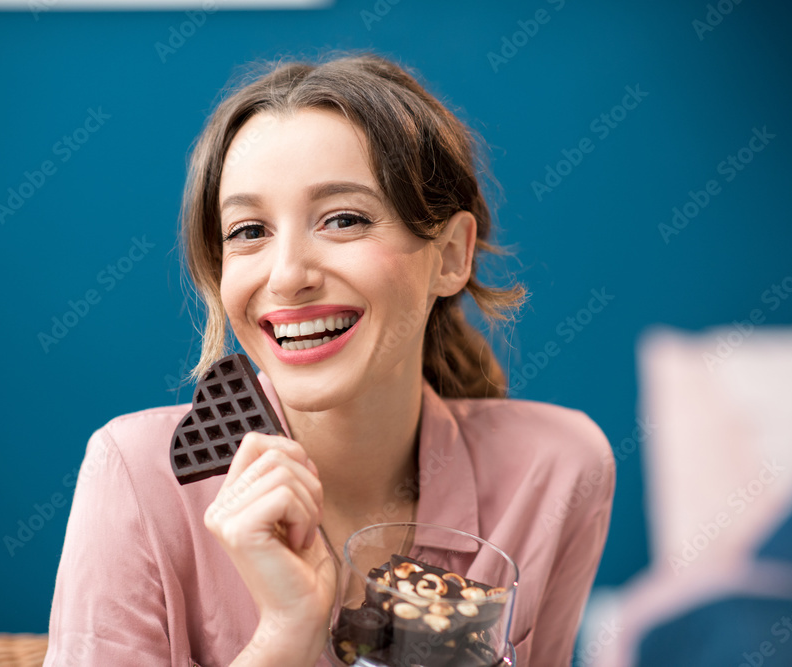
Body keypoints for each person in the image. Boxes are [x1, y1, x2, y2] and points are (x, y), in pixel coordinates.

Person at [43, 52, 615, 667]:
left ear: (450, 255)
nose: (287, 276)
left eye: (344, 219)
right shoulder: (135, 479)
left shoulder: (557, 470)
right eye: (248, 231)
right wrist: (284, 634)